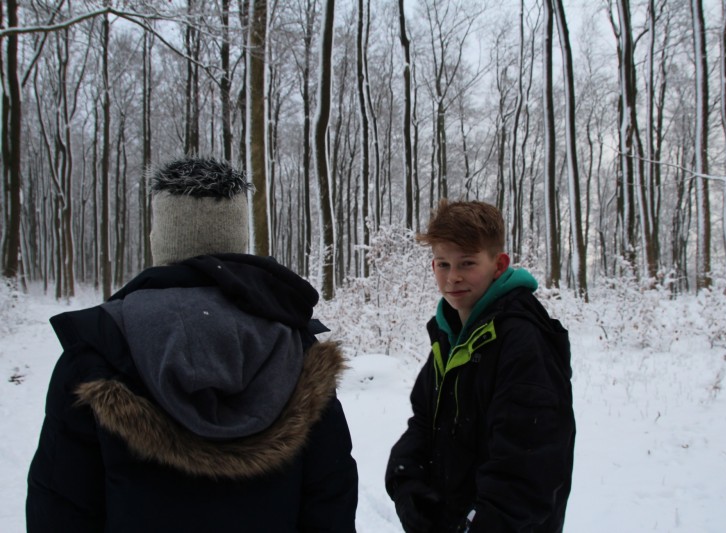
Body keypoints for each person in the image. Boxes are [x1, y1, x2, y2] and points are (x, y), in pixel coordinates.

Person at [26, 157, 358, 532]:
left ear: (158, 239)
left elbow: (60, 507)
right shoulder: (297, 350)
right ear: (239, 242)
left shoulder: (97, 352)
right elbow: (330, 497)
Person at [385, 199, 575, 533]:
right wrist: (406, 479)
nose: (453, 277)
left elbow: (530, 464)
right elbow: (425, 422)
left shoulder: (522, 341)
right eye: (443, 264)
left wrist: (479, 524)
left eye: (467, 263)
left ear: (499, 265)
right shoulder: (450, 335)